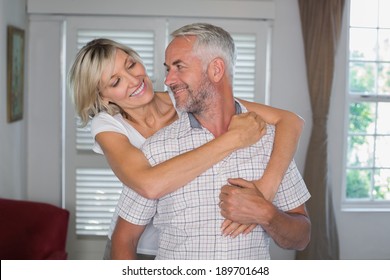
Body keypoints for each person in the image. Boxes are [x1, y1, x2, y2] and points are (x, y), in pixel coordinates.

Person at [68, 36, 305, 259]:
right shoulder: (107, 125)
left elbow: (290, 121)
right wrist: (232, 139)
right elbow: (149, 184)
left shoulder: (183, 98)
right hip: (138, 246)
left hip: (181, 243)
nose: (133, 80)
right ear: (103, 97)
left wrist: (266, 189)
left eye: (130, 65)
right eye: (116, 81)